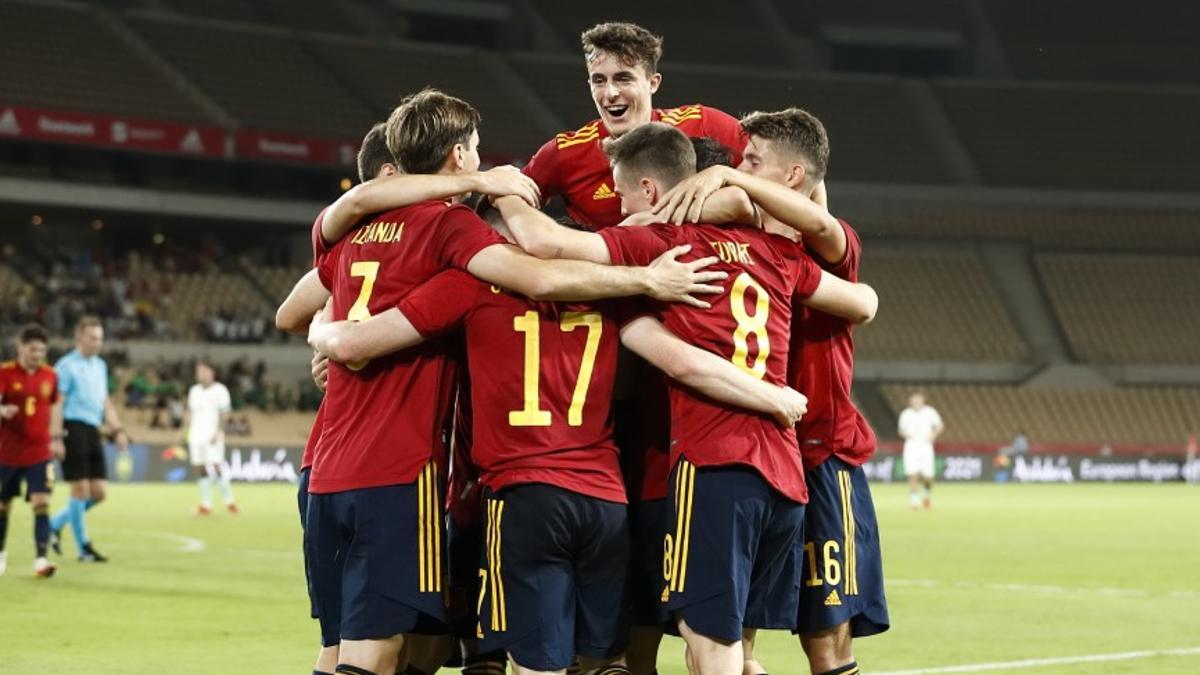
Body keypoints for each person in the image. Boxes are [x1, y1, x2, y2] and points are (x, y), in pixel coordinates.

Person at [280, 89, 727, 675]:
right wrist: (640, 277)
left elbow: (294, 311)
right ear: (462, 156)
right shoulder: (455, 238)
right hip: (401, 471)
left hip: (326, 466)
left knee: (350, 647)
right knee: (385, 651)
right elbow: (536, 277)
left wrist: (326, 334)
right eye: (477, 151)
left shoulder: (347, 229)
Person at [499, 122, 877, 675]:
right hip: (784, 472)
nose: (618, 205)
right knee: (740, 653)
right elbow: (863, 299)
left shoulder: (660, 249)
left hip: (713, 464)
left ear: (654, 191)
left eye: (622, 192)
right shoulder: (778, 251)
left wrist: (504, 189)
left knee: (706, 649)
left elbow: (548, 246)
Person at [650, 107, 891, 675]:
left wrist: (730, 178)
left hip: (821, 452)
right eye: (737, 160)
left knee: (827, 641)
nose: (736, 166)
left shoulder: (827, 249)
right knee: (730, 638)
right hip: (760, 452)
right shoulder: (737, 245)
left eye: (752, 160)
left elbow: (827, 231)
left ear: (792, 177)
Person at [523, 22, 746, 230]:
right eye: (599, 81)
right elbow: (500, 212)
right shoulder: (566, 153)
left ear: (653, 83)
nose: (610, 93)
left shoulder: (703, 123)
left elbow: (776, 177)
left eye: (623, 79)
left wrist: (723, 174)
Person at [48, 317, 129, 562]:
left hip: (93, 429)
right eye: (93, 338)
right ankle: (84, 548)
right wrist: (55, 437)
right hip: (72, 428)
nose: (98, 343)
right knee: (80, 489)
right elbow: (56, 403)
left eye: (100, 338)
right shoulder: (66, 366)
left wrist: (118, 430)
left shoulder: (100, 366)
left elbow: (104, 401)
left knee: (99, 492)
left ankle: (53, 524)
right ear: (79, 338)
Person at [0, 324, 62, 577]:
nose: (37, 354)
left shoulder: (50, 375)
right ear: (20, 347)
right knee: (3, 505)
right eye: (33, 349)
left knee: (41, 502)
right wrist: (2, 411)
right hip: (8, 452)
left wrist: (57, 438)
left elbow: (56, 406)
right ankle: (1, 555)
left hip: (39, 452)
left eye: (41, 350)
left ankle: (41, 560)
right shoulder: (4, 373)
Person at [184, 360, 235, 515]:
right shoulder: (194, 391)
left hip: (213, 435)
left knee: (216, 466)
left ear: (212, 372)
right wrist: (186, 431)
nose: (201, 374)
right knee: (200, 468)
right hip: (196, 436)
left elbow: (226, 414)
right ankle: (206, 504)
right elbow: (189, 412)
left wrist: (218, 432)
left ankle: (229, 502)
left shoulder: (220, 390)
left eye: (204, 371)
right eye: (199, 371)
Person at [898, 392, 944, 509]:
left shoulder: (930, 412)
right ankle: (914, 500)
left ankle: (927, 495)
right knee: (912, 473)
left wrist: (933, 435)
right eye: (914, 400)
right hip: (911, 445)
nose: (916, 402)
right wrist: (907, 434)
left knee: (928, 475)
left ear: (923, 401)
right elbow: (901, 430)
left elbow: (939, 426)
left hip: (925, 445)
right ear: (910, 402)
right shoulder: (906, 414)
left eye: (918, 400)